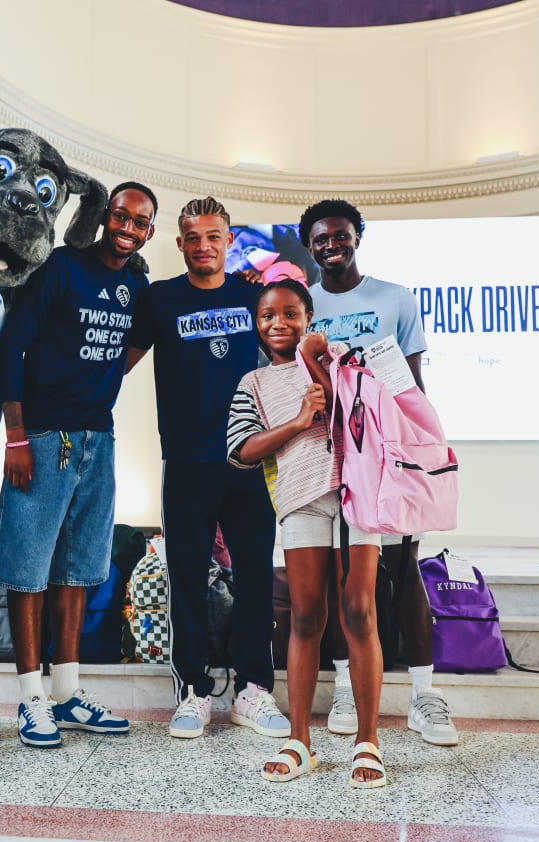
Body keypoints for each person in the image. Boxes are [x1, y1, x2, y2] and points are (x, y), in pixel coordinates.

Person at [0, 182, 157, 747]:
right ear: (105, 217)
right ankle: (31, 698)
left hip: (97, 441)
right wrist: (15, 436)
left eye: (139, 221)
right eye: (120, 216)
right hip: (40, 434)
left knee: (78, 570)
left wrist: (102, 379)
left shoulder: (137, 282)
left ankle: (66, 691)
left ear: (149, 232)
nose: (128, 227)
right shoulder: (62, 266)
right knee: (29, 569)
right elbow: (10, 345)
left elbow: (132, 348)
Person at [126, 197, 290, 740]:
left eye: (213, 236)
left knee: (253, 578)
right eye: (193, 237)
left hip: (248, 459)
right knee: (188, 578)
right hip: (187, 461)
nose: (203, 246)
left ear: (227, 239)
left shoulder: (253, 297)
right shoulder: (160, 300)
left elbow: (286, 355)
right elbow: (117, 363)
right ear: (179, 243)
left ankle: (253, 691)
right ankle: (192, 693)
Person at [300, 198, 458, 746]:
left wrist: (417, 452)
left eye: (340, 235)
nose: (331, 244)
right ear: (310, 245)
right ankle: (346, 685)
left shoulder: (396, 298)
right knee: (349, 576)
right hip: (333, 456)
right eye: (320, 238)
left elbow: (414, 386)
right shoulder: (306, 304)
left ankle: (423, 696)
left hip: (389, 453)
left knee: (405, 564)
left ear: (357, 237)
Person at [227, 280, 387, 787]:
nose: (279, 323)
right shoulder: (252, 382)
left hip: (357, 496)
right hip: (301, 502)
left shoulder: (337, 358)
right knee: (305, 616)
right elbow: (243, 451)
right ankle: (300, 741)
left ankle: (368, 742)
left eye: (291, 313)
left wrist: (318, 362)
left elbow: (366, 414)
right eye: (268, 315)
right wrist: (298, 421)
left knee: (359, 611)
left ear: (309, 317)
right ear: (257, 323)